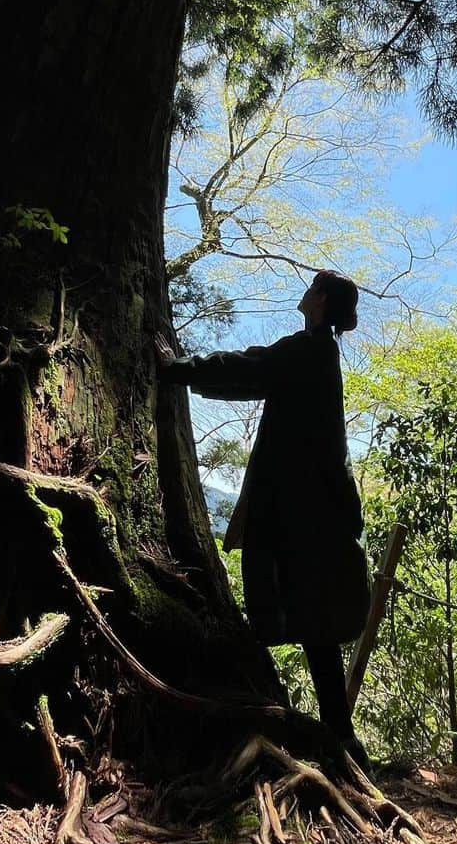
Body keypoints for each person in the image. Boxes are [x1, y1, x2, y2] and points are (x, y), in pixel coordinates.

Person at [155, 269, 372, 770]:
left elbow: (252, 367)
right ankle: (340, 739)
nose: (305, 290)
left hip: (302, 516)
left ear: (318, 300)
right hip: (312, 514)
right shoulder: (319, 353)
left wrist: (180, 369)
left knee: (296, 617)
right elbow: (254, 373)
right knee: (313, 625)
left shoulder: (310, 349)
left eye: (312, 286)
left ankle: (328, 737)